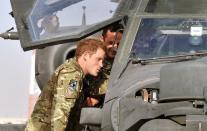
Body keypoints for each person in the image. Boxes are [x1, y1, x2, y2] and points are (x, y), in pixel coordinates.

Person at [25, 38, 106, 131]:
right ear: (86, 56)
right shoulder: (71, 75)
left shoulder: (77, 73)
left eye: (102, 61)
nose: (101, 65)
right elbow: (61, 111)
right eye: (98, 59)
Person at [86, 24, 124, 106]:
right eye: (111, 43)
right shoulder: (92, 58)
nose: (115, 48)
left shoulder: (124, 58)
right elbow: (91, 89)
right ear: (102, 40)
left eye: (119, 44)